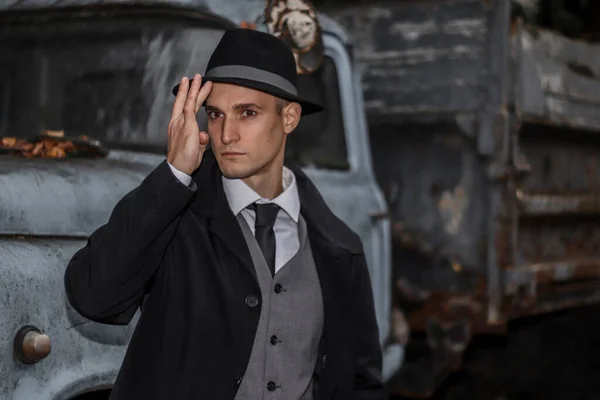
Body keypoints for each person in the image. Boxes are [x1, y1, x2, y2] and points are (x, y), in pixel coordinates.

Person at [64, 28, 383, 400]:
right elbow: (92, 297)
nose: (226, 134)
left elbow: (361, 384)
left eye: (247, 113)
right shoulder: (174, 217)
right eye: (215, 114)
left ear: (290, 118)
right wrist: (174, 174)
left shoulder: (339, 247)